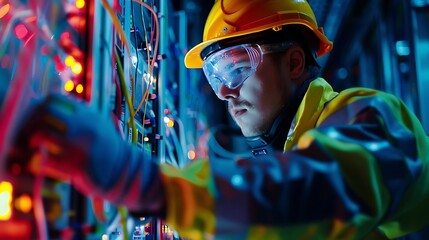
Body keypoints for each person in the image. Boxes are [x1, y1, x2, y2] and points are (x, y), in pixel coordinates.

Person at [21, 0, 429, 239]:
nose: (225, 92)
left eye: (236, 68)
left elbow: (316, 193)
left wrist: (144, 183)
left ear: (294, 61)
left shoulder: (377, 117)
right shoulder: (293, 146)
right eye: (214, 77)